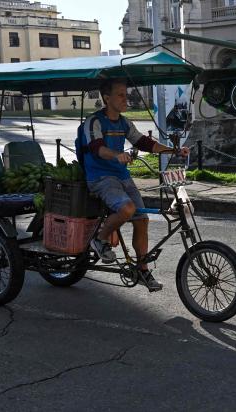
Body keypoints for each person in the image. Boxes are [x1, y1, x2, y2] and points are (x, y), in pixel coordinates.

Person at [82, 78, 190, 292]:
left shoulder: (123, 122)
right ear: (107, 98)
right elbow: (97, 148)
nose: (126, 98)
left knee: (142, 219)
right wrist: (117, 155)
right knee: (127, 208)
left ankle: (142, 269)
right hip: (100, 177)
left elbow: (143, 142)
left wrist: (173, 151)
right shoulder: (94, 122)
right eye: (121, 94)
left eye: (126, 94)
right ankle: (100, 238)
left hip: (121, 176)